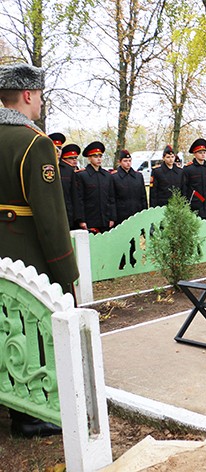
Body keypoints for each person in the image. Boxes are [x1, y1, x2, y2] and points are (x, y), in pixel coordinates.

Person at [0, 63, 79, 438]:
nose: (41, 102)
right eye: (41, 95)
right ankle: (28, 415)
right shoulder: (35, 142)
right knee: (30, 327)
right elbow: (50, 216)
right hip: (25, 250)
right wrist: (67, 272)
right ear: (29, 95)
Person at [74, 141, 116, 233]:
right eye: (95, 156)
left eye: (100, 156)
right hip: (90, 219)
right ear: (89, 158)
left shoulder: (107, 176)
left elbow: (111, 198)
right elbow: (79, 200)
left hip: (105, 219)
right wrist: (81, 220)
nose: (99, 159)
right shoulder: (82, 175)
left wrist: (112, 217)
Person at [182, 138, 206, 220]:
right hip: (193, 205)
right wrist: (185, 204)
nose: (203, 155)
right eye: (200, 153)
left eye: (204, 152)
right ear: (194, 153)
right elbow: (184, 188)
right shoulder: (188, 169)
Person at [111, 149, 147, 224]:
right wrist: (113, 217)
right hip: (121, 215)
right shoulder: (114, 177)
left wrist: (144, 212)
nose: (128, 163)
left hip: (136, 213)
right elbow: (112, 199)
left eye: (129, 161)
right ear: (120, 162)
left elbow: (143, 197)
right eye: (125, 161)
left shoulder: (138, 176)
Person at [58, 143, 80, 227]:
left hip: (69, 212)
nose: (74, 160)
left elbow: (75, 196)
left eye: (75, 158)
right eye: (71, 158)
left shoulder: (69, 171)